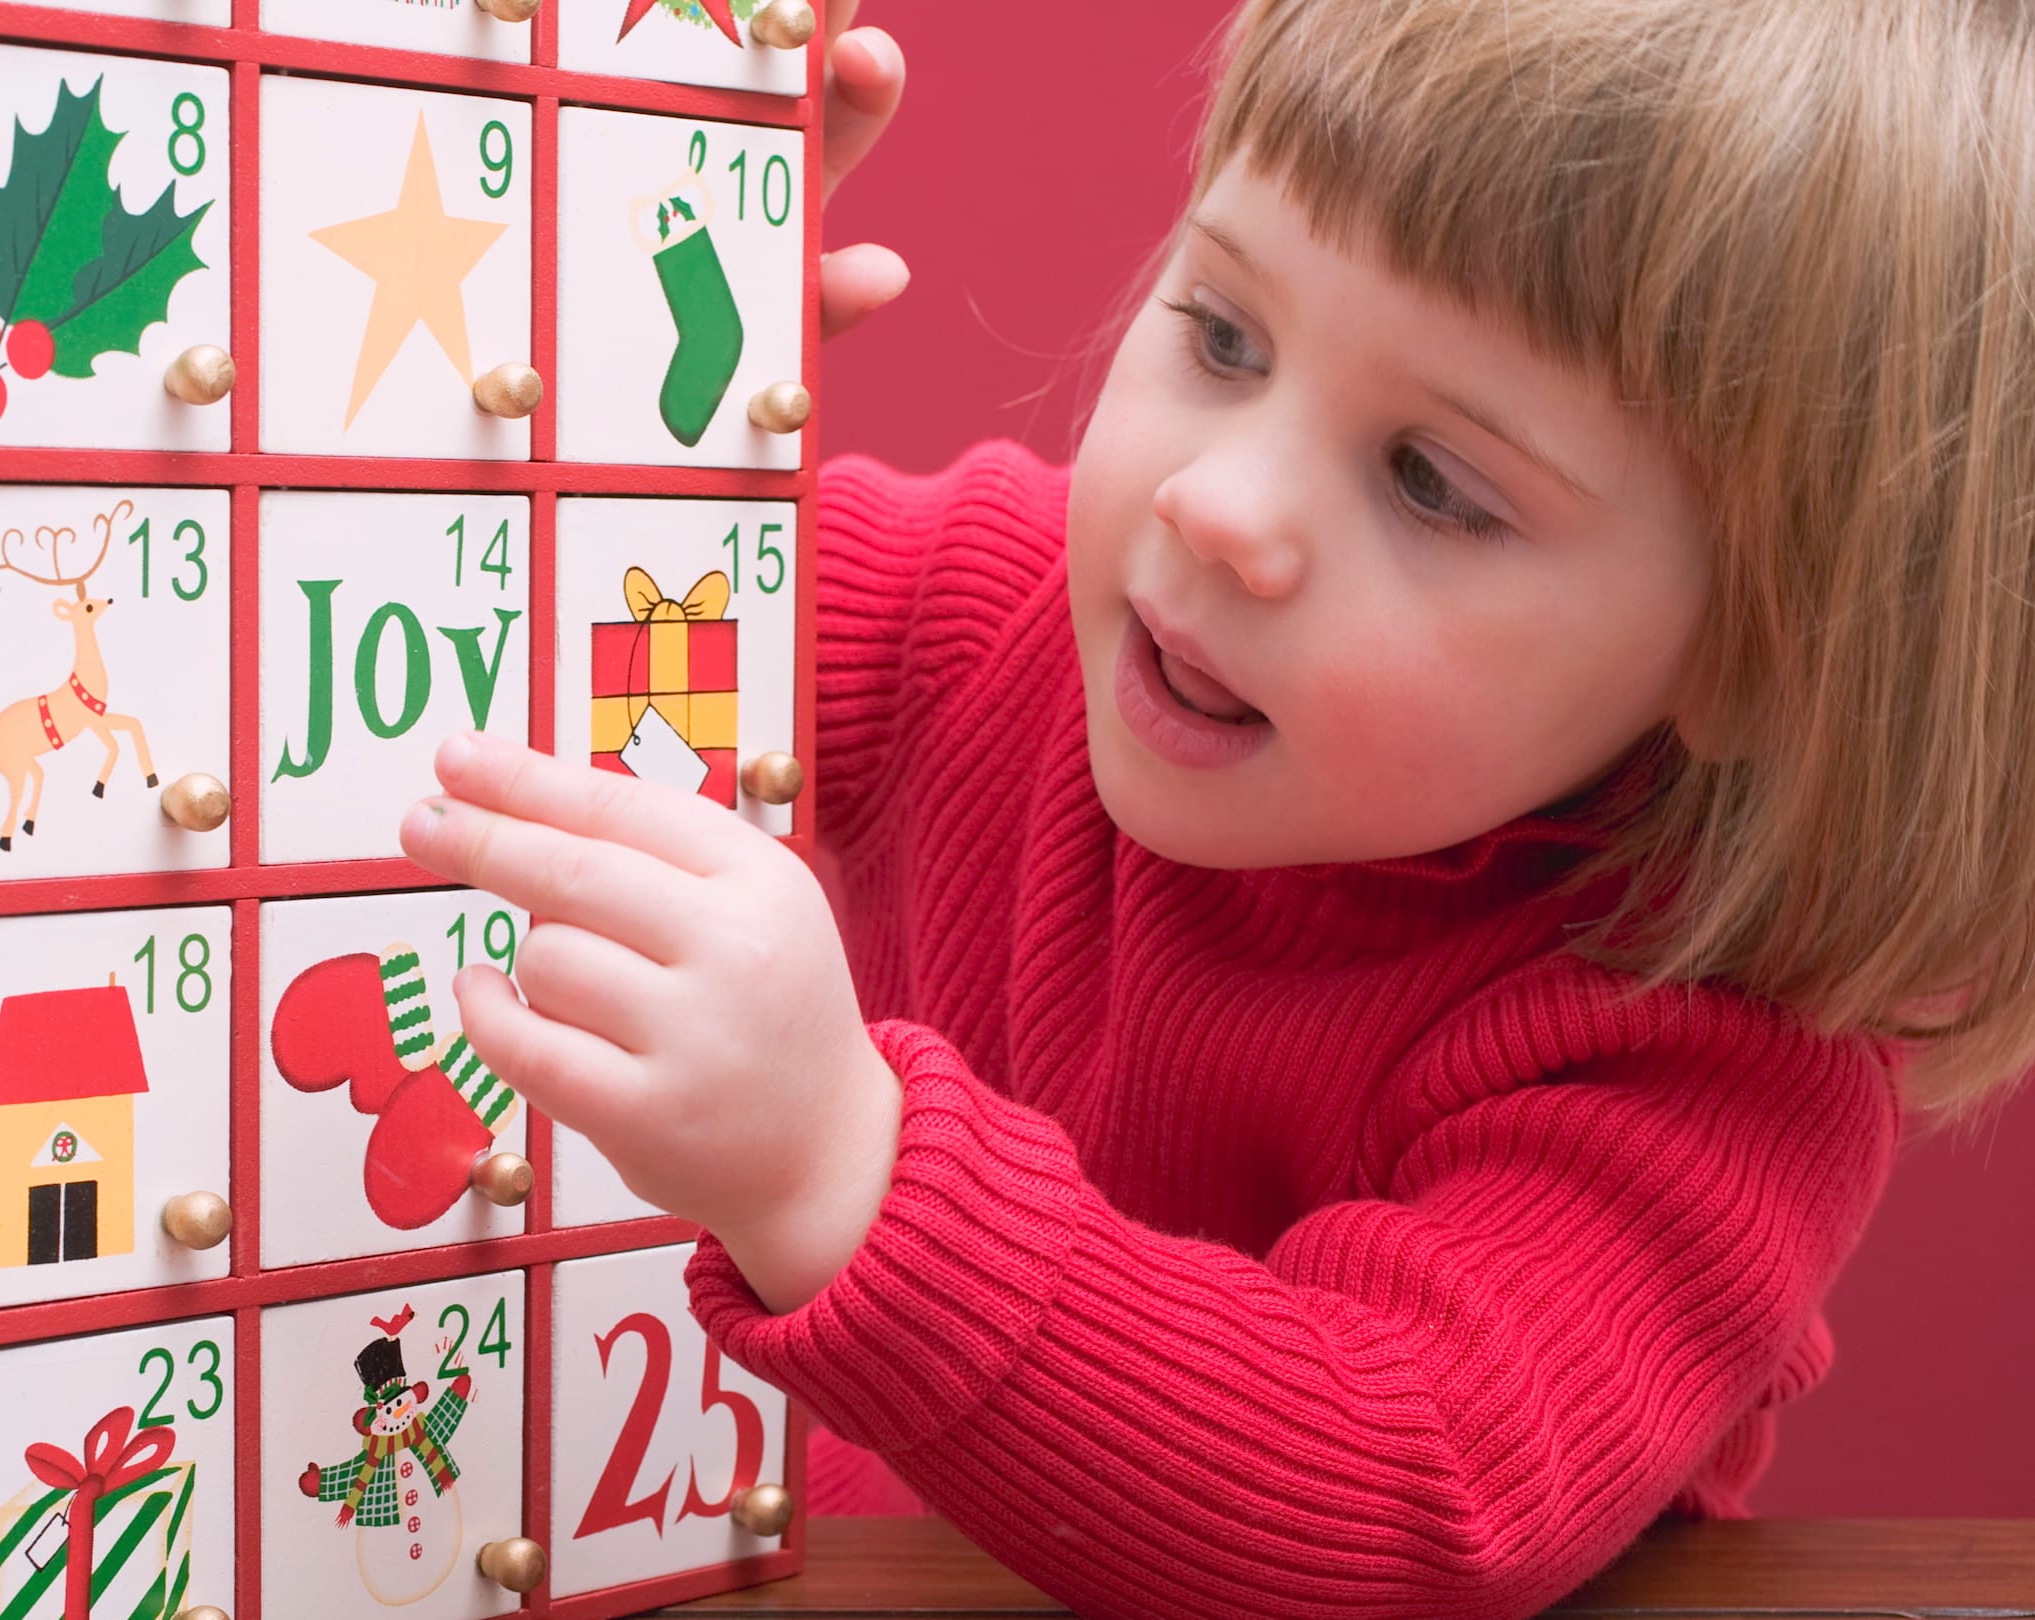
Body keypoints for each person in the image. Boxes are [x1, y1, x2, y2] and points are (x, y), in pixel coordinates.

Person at [398, 0, 2035, 1613]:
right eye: (1226, 337)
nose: (1219, 504)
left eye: (1432, 483)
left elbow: (1403, 1489)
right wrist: (630, 444)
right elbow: (491, 653)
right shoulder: (989, 611)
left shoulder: (1701, 1070)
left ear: (1764, 656)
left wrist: (846, 1174)